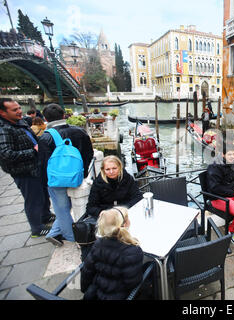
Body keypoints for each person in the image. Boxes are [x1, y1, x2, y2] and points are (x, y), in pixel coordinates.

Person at [38, 103, 94, 246]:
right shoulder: (80, 131)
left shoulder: (45, 138)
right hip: (77, 176)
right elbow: (89, 153)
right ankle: (55, 233)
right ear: (64, 116)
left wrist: (45, 183)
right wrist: (84, 172)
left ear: (45, 119)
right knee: (69, 208)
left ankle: (71, 237)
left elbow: (43, 164)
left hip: (57, 180)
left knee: (61, 209)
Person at [0, 98, 53, 237]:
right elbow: (6, 154)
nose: (19, 111)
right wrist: (34, 151)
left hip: (36, 166)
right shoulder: (3, 129)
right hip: (23, 170)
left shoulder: (20, 122)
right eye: (14, 110)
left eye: (18, 108)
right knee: (33, 199)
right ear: (3, 112)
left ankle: (45, 215)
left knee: (42, 193)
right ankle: (37, 228)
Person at [80, 207, 144, 300]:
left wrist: (86, 290)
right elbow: (133, 283)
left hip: (97, 293)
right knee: (149, 266)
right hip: (121, 296)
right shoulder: (133, 251)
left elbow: (87, 271)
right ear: (126, 224)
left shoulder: (98, 244)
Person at [207, 143, 234, 245]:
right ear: (223, 155)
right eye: (229, 154)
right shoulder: (214, 166)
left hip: (232, 194)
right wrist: (232, 192)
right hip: (217, 198)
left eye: (233, 154)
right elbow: (214, 188)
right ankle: (232, 231)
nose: (232, 156)